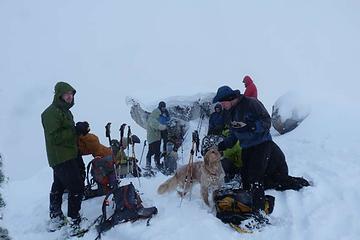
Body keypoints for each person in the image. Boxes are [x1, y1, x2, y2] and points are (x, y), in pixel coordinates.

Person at [213, 86, 309, 213]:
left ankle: (258, 212)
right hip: (246, 147)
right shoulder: (229, 113)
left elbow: (266, 122)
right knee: (245, 178)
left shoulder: (251, 103)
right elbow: (234, 135)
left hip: (262, 144)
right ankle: (247, 203)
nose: (222, 105)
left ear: (230, 98)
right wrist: (220, 146)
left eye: (222, 102)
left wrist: (251, 126)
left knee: (255, 177)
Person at [41, 82, 87, 231]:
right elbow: (55, 137)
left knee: (59, 185)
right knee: (77, 187)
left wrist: (80, 129)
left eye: (71, 93)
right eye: (66, 93)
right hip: (61, 157)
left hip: (69, 153)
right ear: (59, 95)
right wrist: (75, 130)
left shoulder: (65, 111)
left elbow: (68, 132)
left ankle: (55, 217)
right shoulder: (50, 113)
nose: (70, 96)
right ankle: (74, 221)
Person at [145, 101, 168, 171]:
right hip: (153, 138)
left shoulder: (155, 117)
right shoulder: (153, 119)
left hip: (156, 138)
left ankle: (157, 163)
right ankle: (148, 165)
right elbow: (158, 126)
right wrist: (165, 127)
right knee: (151, 151)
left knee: (157, 151)